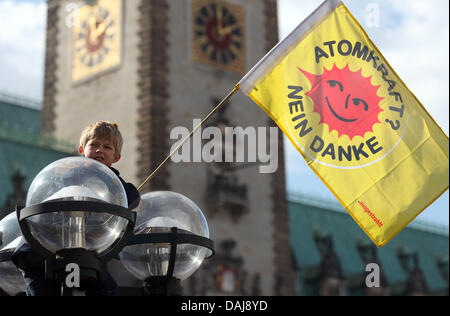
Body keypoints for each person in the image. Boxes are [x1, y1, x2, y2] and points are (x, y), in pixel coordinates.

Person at [12, 121, 140, 296]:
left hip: (66, 251)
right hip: (39, 250)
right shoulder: (71, 175)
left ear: (116, 157)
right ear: (82, 150)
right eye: (93, 144)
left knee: (105, 286)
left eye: (107, 147)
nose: (99, 150)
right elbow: (129, 195)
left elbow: (130, 196)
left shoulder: (111, 182)